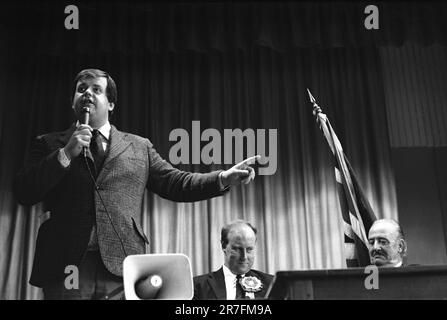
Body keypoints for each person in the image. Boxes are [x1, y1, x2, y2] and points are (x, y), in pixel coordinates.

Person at [13, 69, 259, 300]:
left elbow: (176, 183)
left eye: (96, 89)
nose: (87, 93)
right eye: (81, 88)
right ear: (73, 101)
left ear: (110, 104)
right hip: (66, 264)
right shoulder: (48, 144)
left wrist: (223, 178)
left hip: (122, 266)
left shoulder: (139, 147)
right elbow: (24, 191)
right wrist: (66, 153)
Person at [193, 220, 273, 300]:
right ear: (224, 246)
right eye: (237, 249)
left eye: (249, 249)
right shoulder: (197, 286)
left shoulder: (271, 283)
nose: (244, 257)